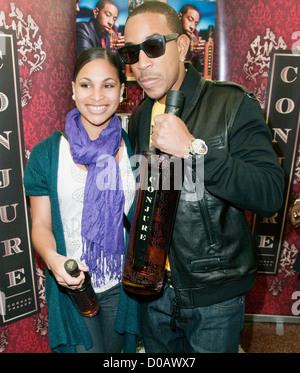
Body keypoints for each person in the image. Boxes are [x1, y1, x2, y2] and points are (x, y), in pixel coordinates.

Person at [117, 1, 285, 353]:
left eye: (152, 47)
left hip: (214, 297)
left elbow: (270, 193)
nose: (140, 63)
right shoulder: (139, 116)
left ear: (181, 46)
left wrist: (194, 150)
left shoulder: (231, 103)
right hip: (155, 292)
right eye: (131, 53)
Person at [23, 47, 139, 353]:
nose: (97, 96)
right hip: (73, 285)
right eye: (86, 84)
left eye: (108, 85)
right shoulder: (46, 155)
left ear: (122, 91)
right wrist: (52, 259)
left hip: (120, 286)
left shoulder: (133, 146)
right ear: (73, 90)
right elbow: (40, 224)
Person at [178, 4, 205, 73]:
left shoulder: (194, 38)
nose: (192, 27)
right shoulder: (168, 33)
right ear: (179, 16)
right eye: (190, 19)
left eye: (196, 23)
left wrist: (201, 54)